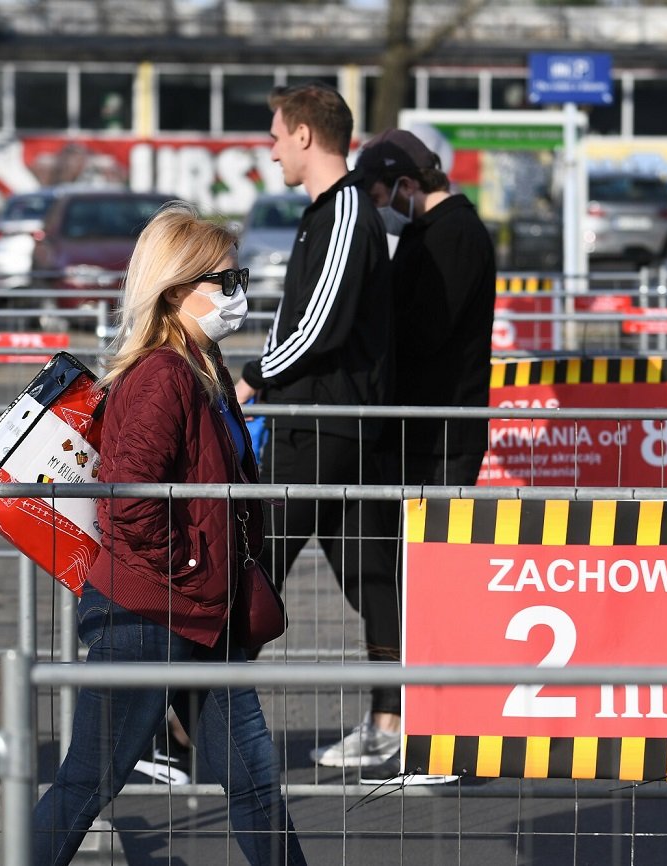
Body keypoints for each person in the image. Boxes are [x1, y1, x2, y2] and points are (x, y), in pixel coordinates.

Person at [32, 203, 306, 866]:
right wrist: (187, 566)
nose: (238, 293)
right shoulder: (162, 375)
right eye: (226, 280)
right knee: (87, 783)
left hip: (196, 613)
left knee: (255, 783)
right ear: (177, 288)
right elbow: (129, 499)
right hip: (148, 611)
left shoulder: (199, 369)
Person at [231, 84, 395, 770]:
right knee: (370, 575)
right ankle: (393, 719)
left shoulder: (345, 208)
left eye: (274, 135)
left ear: (304, 135)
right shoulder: (327, 212)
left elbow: (318, 325)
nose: (269, 149)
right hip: (323, 422)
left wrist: (252, 381)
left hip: (321, 426)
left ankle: (183, 728)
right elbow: (302, 322)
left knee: (257, 566)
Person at [349, 129, 496, 781]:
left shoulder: (454, 236)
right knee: (408, 576)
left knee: (431, 582)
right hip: (422, 431)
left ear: (408, 185)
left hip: (441, 435)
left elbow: (426, 332)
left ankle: (439, 732)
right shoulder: (426, 236)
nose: (381, 209)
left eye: (383, 194)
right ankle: (403, 719)